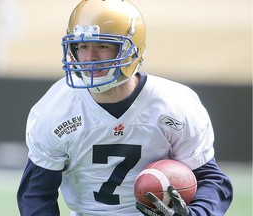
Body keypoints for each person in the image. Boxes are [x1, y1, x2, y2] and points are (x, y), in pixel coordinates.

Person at [17, 0, 233, 215]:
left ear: (132, 50)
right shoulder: (55, 110)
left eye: (102, 46)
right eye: (82, 46)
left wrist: (196, 213)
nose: (90, 57)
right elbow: (36, 196)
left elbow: (210, 180)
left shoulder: (174, 105)